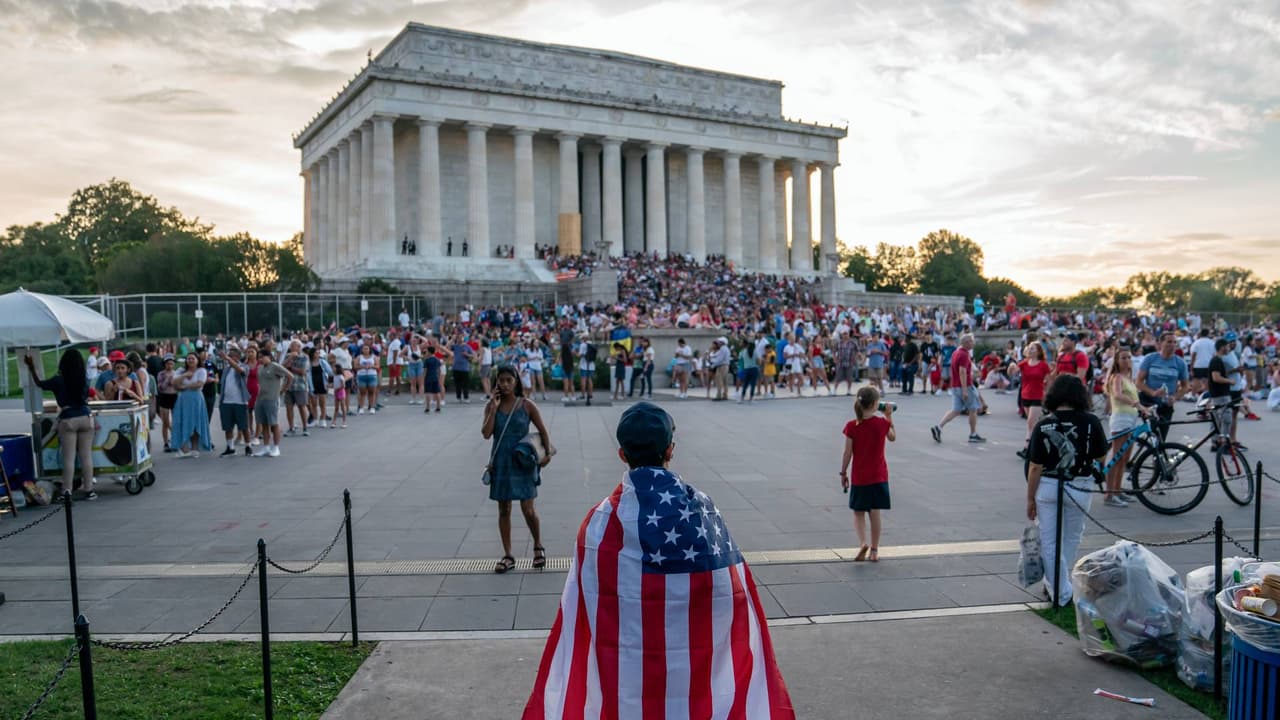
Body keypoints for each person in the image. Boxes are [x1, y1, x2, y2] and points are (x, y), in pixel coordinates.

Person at [521, 402, 795, 718]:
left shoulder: (600, 521)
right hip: (694, 675)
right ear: (671, 450)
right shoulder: (702, 509)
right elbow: (730, 592)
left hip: (628, 679)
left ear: (621, 454)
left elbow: (583, 604)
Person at [1025, 375, 1107, 605]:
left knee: (1049, 540)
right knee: (1071, 536)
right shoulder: (1092, 422)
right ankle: (1060, 587)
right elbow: (1101, 455)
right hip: (1079, 485)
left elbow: (1034, 466)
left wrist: (1030, 498)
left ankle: (1059, 589)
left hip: (1049, 486)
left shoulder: (1044, 424)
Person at [482, 366, 554, 574]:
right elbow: (486, 434)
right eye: (501, 381)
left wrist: (547, 455)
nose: (504, 384)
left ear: (516, 382)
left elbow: (542, 431)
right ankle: (508, 555)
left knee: (528, 509)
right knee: (504, 509)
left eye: (508, 380)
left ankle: (538, 546)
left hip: (523, 461)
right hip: (502, 462)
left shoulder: (526, 405)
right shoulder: (491, 406)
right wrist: (493, 409)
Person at [25, 350, 96, 500]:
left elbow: (40, 384)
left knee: (68, 458)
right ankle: (89, 490)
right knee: (86, 457)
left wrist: (31, 367)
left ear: (63, 364)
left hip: (68, 418)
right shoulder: (84, 378)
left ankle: (67, 491)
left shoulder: (59, 380)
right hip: (86, 417)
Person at [840, 386, 896, 562]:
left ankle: (862, 542)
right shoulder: (882, 423)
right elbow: (893, 437)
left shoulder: (852, 426)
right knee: (875, 512)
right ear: (874, 404)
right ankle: (874, 550)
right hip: (879, 476)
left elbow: (847, 453)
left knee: (858, 512)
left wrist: (843, 472)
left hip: (860, 477)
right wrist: (888, 416)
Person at [1103, 348, 1144, 507]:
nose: (1127, 360)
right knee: (1117, 456)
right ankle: (1109, 494)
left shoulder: (1129, 378)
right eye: (1123, 358)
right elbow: (1118, 395)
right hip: (1121, 418)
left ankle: (1117, 490)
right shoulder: (1116, 377)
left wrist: (1142, 406)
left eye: (1129, 357)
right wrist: (1136, 404)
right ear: (1117, 361)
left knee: (1124, 458)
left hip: (1131, 418)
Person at [930, 333, 985, 444]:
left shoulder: (956, 352)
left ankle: (939, 427)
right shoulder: (964, 354)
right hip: (964, 386)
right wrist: (965, 389)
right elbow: (962, 371)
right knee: (973, 409)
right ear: (966, 343)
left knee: (956, 410)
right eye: (971, 341)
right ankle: (973, 434)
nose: (973, 343)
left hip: (955, 386)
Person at [1137, 332, 1189, 441]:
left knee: (1161, 438)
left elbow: (1185, 386)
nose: (1172, 345)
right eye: (1169, 342)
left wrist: (1175, 397)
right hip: (1148, 402)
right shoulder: (1150, 359)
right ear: (1160, 343)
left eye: (1175, 342)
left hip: (1166, 404)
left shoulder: (1180, 363)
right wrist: (1152, 392)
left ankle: (1155, 454)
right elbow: (1139, 382)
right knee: (1152, 435)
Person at [1011, 341, 1050, 457]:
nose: (1030, 350)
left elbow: (1048, 379)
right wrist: (1011, 367)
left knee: (1030, 422)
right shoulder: (1024, 363)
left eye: (1033, 349)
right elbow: (1013, 373)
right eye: (1029, 348)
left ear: (1038, 351)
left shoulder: (1043, 365)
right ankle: (1042, 443)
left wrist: (1046, 392)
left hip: (1037, 395)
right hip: (1025, 395)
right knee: (1034, 423)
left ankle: (1027, 448)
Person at [170, 354, 213, 458]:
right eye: (188, 358)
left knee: (195, 423)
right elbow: (174, 383)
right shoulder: (181, 370)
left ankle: (195, 448)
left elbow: (199, 384)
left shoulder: (201, 371)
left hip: (196, 399)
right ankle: (184, 448)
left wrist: (184, 386)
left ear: (197, 360)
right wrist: (185, 375)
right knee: (182, 421)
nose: (190, 360)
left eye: (193, 358)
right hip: (183, 399)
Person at [252, 350, 292, 457]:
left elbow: (290, 376)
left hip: (272, 398)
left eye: (262, 357)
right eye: (259, 357)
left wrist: (283, 389)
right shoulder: (260, 368)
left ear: (269, 357)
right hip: (261, 398)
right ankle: (266, 447)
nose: (260, 359)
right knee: (263, 423)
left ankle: (276, 447)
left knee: (273, 423)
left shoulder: (274, 366)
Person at [216, 346, 252, 456]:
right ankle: (230, 447)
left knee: (244, 426)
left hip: (240, 401)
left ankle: (248, 446)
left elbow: (241, 372)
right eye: (228, 355)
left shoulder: (244, 367)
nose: (228, 358)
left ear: (237, 357)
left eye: (230, 356)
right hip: (226, 401)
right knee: (228, 426)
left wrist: (227, 359)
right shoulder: (226, 369)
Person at [155, 355, 178, 452]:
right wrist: (167, 380)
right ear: (164, 364)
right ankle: (166, 443)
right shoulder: (161, 374)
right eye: (168, 363)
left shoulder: (176, 373)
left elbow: (179, 386)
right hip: (164, 397)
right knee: (165, 422)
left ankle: (176, 440)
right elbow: (160, 387)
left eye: (172, 363)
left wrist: (174, 382)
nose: (170, 365)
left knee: (176, 421)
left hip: (174, 396)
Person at [354, 344, 380, 414]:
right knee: (362, 392)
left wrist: (371, 366)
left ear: (369, 349)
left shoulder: (374, 357)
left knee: (372, 392)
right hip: (362, 375)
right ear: (362, 350)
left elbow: (377, 366)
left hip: (372, 375)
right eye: (364, 349)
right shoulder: (359, 357)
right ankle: (361, 407)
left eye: (367, 348)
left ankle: (372, 407)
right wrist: (362, 366)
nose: (365, 350)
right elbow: (355, 366)